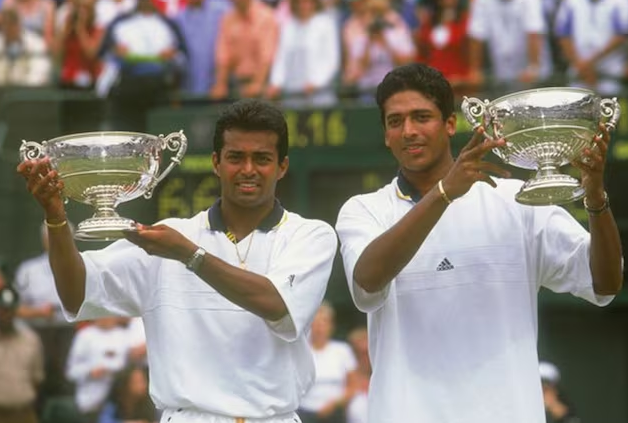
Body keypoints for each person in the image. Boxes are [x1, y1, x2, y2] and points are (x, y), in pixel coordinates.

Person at [17, 99, 338, 423]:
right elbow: (76, 291)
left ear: (282, 167)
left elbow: (276, 303)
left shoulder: (310, 236)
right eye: (236, 157)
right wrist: (56, 219)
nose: (248, 169)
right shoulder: (170, 238)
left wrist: (189, 255)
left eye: (262, 159)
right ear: (216, 162)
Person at [335, 63, 623, 423]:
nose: (408, 131)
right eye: (396, 121)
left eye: (421, 117)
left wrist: (595, 199)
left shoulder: (517, 201)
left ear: (450, 124)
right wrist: (443, 194)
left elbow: (605, 283)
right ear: (385, 134)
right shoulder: (363, 210)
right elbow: (367, 283)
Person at [297, 302, 356, 423]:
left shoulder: (342, 351)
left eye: (324, 322)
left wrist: (334, 404)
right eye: (316, 323)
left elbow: (353, 386)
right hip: (305, 413)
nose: (320, 328)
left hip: (334, 412)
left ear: (331, 326)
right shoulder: (301, 353)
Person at [0, 285, 45, 423]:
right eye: (2, 310)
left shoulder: (30, 339)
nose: (6, 315)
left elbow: (37, 379)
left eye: (9, 310)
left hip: (25, 413)